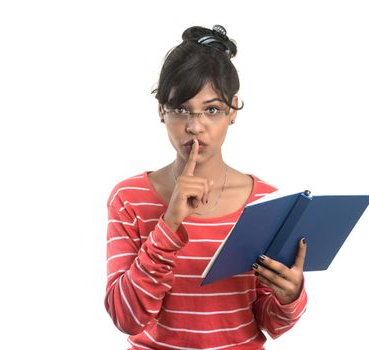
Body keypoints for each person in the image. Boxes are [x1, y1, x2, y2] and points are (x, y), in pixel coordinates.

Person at [105, 24, 308, 349]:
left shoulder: (265, 200)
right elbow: (125, 317)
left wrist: (290, 297)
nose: (194, 126)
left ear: (233, 111)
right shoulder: (129, 198)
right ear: (161, 110)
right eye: (180, 109)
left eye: (212, 110)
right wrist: (169, 223)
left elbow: (270, 323)